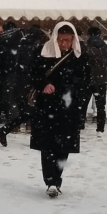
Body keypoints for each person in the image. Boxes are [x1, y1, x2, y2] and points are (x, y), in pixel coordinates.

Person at [30, 22, 89, 197]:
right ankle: (50, 181)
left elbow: (86, 81)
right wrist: (44, 84)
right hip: (47, 106)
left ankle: (57, 178)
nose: (64, 44)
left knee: (64, 147)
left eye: (68, 40)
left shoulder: (79, 56)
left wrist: (76, 95)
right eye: (61, 40)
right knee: (48, 146)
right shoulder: (43, 53)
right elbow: (33, 74)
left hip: (69, 107)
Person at [0, 21, 47, 147]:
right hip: (29, 82)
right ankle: (9, 130)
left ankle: (6, 130)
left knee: (28, 111)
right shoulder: (34, 48)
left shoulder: (21, 44)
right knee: (32, 110)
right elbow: (34, 67)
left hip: (20, 81)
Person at [82, 25, 107, 133]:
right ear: (99, 34)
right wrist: (102, 65)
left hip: (87, 79)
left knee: (83, 104)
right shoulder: (105, 46)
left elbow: (80, 62)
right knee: (101, 106)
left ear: (88, 34)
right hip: (101, 80)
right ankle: (100, 128)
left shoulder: (85, 46)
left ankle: (80, 125)